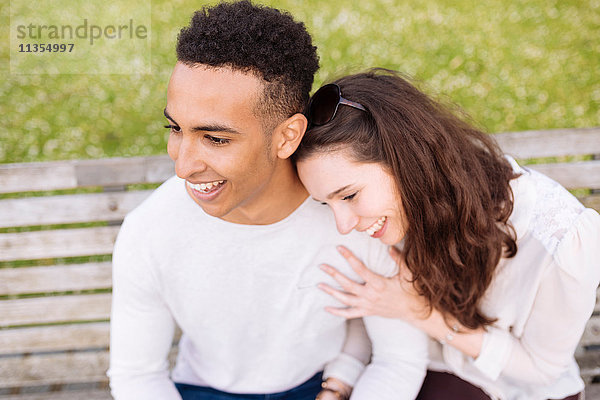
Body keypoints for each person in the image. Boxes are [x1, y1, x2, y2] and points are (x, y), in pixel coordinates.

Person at [108, 3, 429, 400]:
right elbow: (137, 377)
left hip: (320, 384)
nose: (183, 167)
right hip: (202, 390)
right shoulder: (150, 231)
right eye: (175, 128)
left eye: (216, 138)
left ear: (287, 136)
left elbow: (398, 358)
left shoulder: (357, 218)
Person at [294, 68, 600, 400]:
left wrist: (421, 314)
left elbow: (541, 370)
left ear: (405, 160)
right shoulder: (393, 214)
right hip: (427, 369)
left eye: (349, 195)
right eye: (326, 203)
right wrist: (339, 385)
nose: (343, 224)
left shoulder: (560, 239)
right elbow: (373, 303)